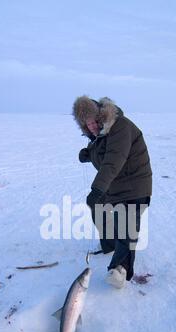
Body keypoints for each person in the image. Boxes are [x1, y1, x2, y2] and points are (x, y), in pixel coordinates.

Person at [72, 95, 152, 288]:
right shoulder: (100, 136)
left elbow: (113, 161)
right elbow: (102, 152)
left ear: (101, 116)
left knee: (126, 224)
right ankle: (109, 245)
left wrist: (97, 188)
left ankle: (120, 270)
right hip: (115, 185)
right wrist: (88, 154)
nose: (91, 127)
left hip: (135, 184)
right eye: (87, 125)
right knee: (97, 205)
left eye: (93, 122)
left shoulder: (121, 126)